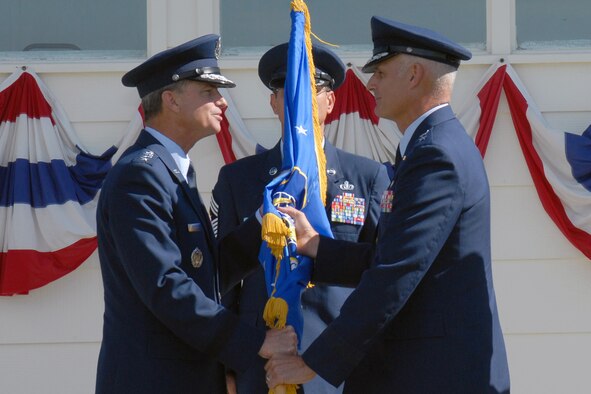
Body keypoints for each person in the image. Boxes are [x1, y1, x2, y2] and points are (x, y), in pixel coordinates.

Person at [263, 16, 511, 393]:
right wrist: (315, 243)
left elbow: (396, 272)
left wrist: (311, 363)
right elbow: (389, 257)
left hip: (436, 376)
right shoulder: (426, 147)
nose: (370, 83)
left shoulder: (436, 156)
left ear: (414, 75)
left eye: (379, 71)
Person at [95, 34, 297, 394]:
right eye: (208, 92)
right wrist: (255, 342)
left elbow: (205, 271)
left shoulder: (169, 170)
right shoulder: (140, 175)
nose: (222, 102)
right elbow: (165, 285)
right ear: (170, 100)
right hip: (152, 381)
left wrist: (265, 225)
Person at [210, 43, 390, 393]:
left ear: (330, 103)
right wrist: (226, 369)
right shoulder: (238, 180)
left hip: (339, 369)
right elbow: (222, 284)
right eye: (287, 91)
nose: (298, 101)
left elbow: (383, 278)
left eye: (311, 90)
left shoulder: (367, 178)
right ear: (274, 103)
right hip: (261, 368)